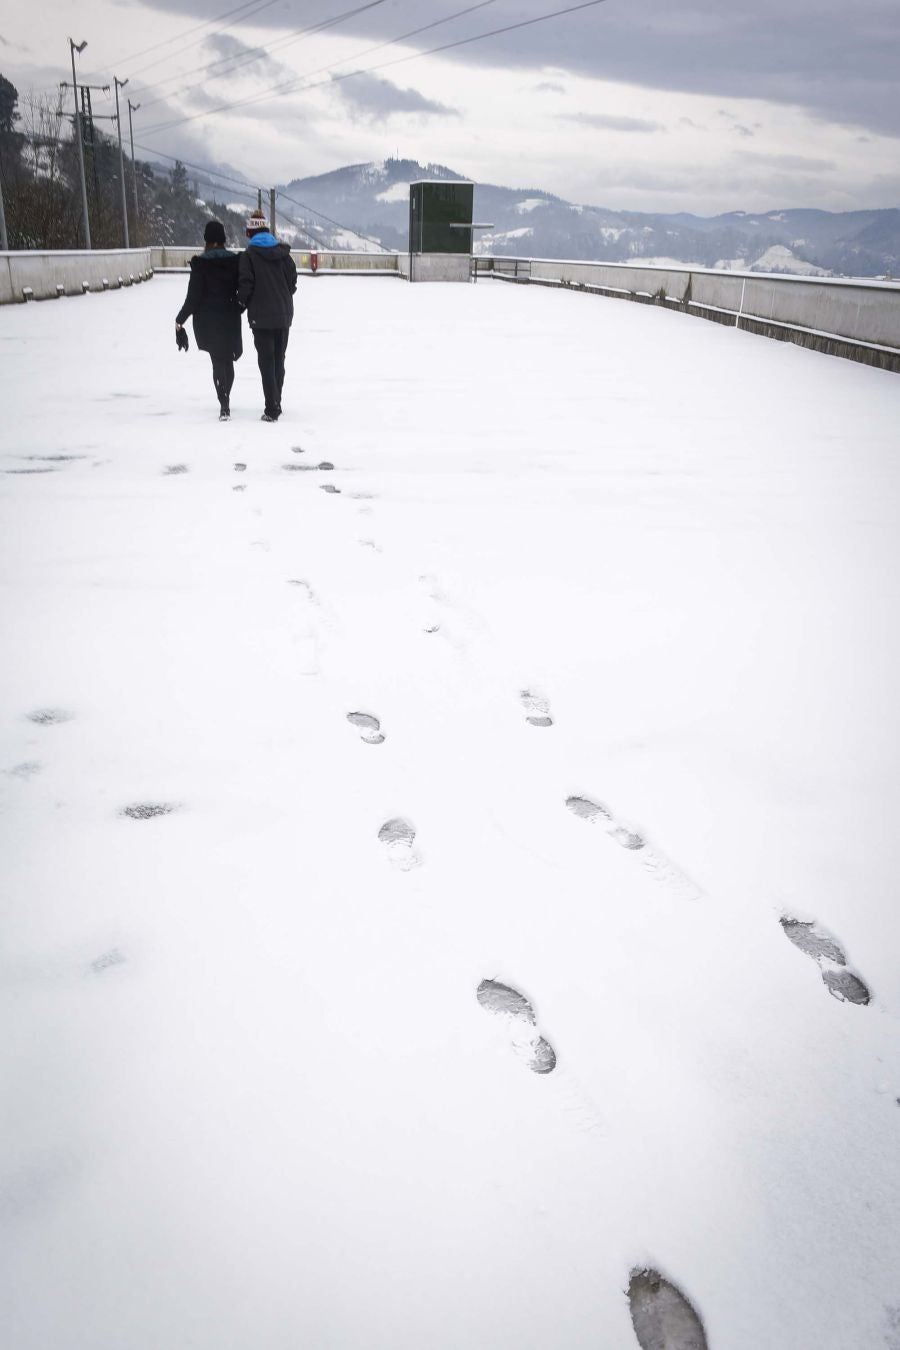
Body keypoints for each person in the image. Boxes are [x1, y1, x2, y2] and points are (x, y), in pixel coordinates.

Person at [175, 220, 242, 421]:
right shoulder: (235, 262)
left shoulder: (201, 265)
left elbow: (193, 298)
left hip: (208, 320)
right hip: (230, 316)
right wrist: (241, 307)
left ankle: (224, 402)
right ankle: (226, 397)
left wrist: (180, 320)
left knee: (217, 361)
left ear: (206, 240)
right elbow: (244, 288)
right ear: (223, 239)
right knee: (228, 360)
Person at [238, 208, 298, 423]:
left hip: (261, 318)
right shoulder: (283, 254)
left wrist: (239, 304)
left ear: (250, 233)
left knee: (266, 361)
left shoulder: (248, 256)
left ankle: (271, 408)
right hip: (283, 315)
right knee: (279, 360)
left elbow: (246, 285)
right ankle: (277, 401)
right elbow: (292, 283)